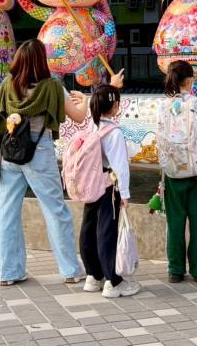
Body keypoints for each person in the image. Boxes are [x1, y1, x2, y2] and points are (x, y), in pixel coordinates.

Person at [0, 39, 86, 286]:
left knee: (6, 213)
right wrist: (83, 101)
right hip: (39, 152)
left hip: (10, 153)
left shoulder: (7, 86)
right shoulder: (53, 88)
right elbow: (79, 117)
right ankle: (71, 270)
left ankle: (9, 273)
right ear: (42, 61)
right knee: (55, 211)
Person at [79, 84, 141, 298]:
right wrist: (125, 194)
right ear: (115, 105)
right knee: (107, 233)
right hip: (108, 187)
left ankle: (93, 276)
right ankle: (113, 282)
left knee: (89, 229)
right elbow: (120, 166)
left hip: (90, 185)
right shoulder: (113, 132)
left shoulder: (91, 128)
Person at [156, 61, 197, 283]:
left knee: (175, 221)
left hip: (172, 172)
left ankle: (175, 270)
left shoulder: (163, 106)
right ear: (189, 80)